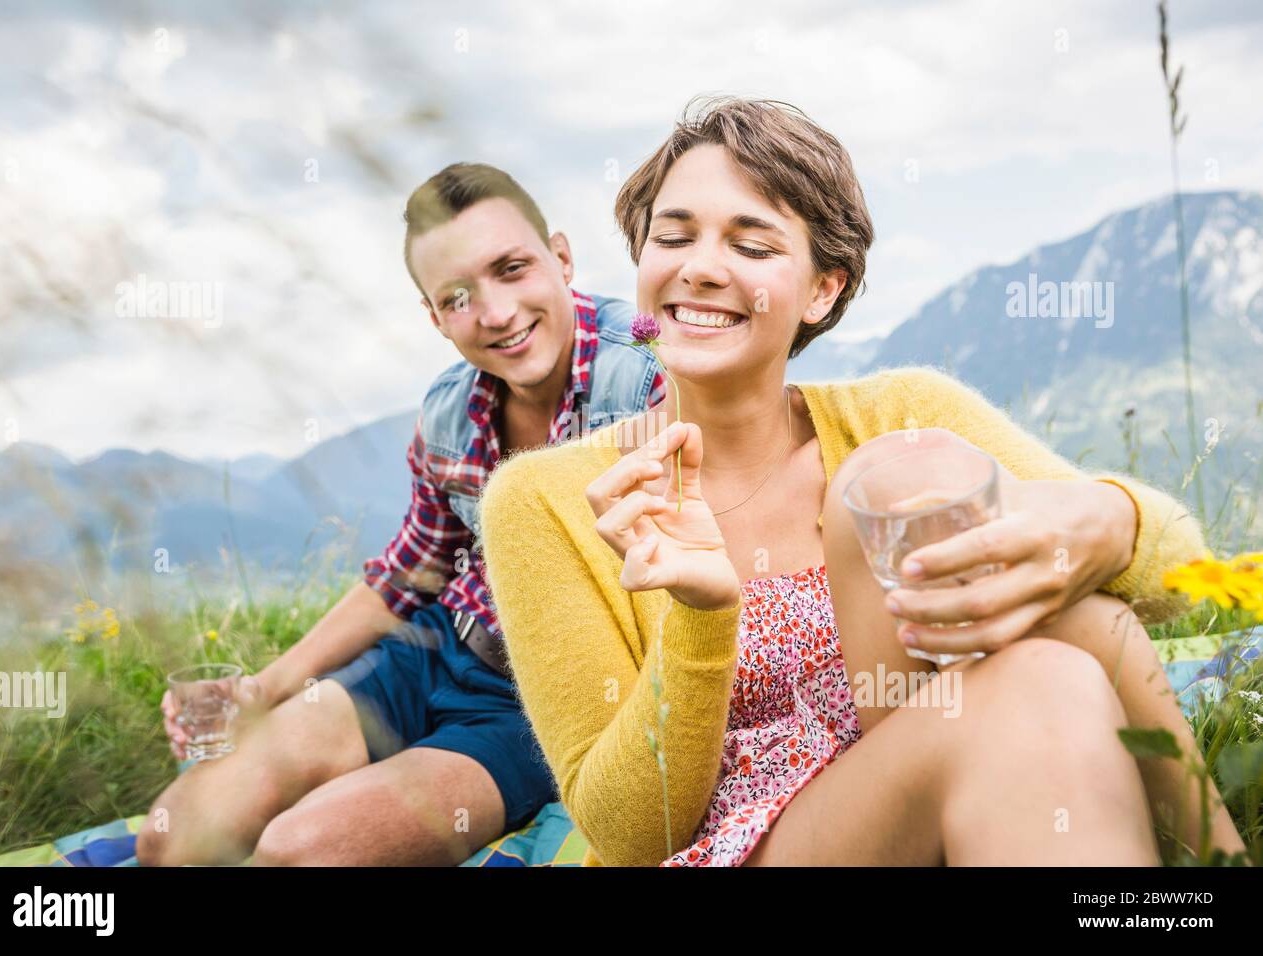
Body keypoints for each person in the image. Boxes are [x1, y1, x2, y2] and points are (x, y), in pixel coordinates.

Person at [478, 96, 1249, 866]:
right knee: (1032, 653)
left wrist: (1101, 526)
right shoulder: (543, 500)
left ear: (824, 289)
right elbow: (630, 837)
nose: (700, 268)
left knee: (1074, 623)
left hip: (954, 785)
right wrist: (702, 614)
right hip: (737, 849)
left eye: (752, 246)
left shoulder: (904, 415)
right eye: (672, 237)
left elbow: (1179, 578)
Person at [137, 163, 664, 866]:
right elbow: (410, 574)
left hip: (539, 701)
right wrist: (260, 689)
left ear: (561, 258)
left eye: (512, 269)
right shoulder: (448, 409)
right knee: (176, 835)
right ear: (435, 316)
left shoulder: (651, 372)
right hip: (431, 650)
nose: (498, 313)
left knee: (296, 853)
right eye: (458, 297)